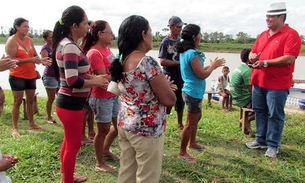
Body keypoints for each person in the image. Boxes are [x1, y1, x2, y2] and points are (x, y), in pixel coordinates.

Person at [110, 15, 176, 183]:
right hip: (146, 130)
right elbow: (169, 100)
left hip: (126, 123)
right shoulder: (146, 62)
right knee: (147, 176)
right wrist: (167, 88)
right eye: (151, 32)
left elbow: (138, 90)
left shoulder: (122, 60)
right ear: (143, 34)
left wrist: (162, 86)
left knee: (127, 172)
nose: (152, 36)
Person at [51, 5, 109, 183]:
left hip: (69, 104)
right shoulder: (69, 47)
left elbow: (75, 74)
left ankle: (66, 177)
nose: (88, 27)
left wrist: (91, 76)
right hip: (70, 105)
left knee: (68, 142)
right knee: (73, 145)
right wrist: (96, 82)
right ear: (74, 26)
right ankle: (67, 180)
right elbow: (72, 81)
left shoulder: (67, 44)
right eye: (85, 23)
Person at [245, 2, 302, 158]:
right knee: (260, 111)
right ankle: (260, 139)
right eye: (267, 16)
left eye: (271, 16)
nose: (267, 19)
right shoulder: (263, 35)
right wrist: (252, 56)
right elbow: (254, 51)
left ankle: (273, 145)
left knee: (275, 114)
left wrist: (265, 63)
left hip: (277, 83)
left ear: (281, 17)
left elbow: (289, 58)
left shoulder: (291, 35)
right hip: (258, 81)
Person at [176, 24, 225, 163]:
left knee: (197, 118)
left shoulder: (186, 52)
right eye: (200, 34)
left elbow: (197, 70)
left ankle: (192, 143)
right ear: (194, 37)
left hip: (193, 91)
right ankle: (182, 152)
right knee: (189, 123)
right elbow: (201, 74)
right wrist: (213, 67)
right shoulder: (191, 53)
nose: (201, 37)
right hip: (192, 92)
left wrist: (210, 65)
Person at [82, 20, 119, 173]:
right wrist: (120, 73)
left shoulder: (107, 49)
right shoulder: (94, 53)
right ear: (100, 34)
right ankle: (99, 162)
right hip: (101, 97)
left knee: (118, 127)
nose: (112, 35)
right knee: (102, 130)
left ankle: (105, 150)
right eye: (110, 32)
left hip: (113, 94)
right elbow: (103, 78)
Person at [5, 17, 51, 137]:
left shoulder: (29, 40)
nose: (27, 28)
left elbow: (35, 56)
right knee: (17, 101)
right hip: (17, 75)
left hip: (30, 75)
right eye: (25, 26)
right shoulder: (12, 41)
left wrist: (41, 60)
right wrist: (30, 59)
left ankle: (32, 123)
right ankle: (15, 128)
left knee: (30, 100)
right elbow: (11, 60)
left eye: (28, 26)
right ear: (17, 27)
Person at [158, 15, 186, 130]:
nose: (180, 29)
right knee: (166, 99)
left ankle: (180, 123)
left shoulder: (182, 41)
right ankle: (162, 122)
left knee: (181, 99)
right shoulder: (165, 42)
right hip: (169, 76)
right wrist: (178, 63)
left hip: (181, 75)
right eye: (178, 26)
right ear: (171, 27)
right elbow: (162, 61)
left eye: (181, 26)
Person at [230, 48, 255, 133]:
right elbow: (251, 90)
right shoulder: (247, 71)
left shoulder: (239, 67)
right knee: (265, 108)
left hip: (236, 97)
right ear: (250, 58)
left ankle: (246, 125)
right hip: (243, 99)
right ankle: (245, 120)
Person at [80, 20, 96, 145]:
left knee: (90, 109)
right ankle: (82, 135)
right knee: (85, 110)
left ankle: (91, 131)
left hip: (93, 81)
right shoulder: (83, 47)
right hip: (85, 82)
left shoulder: (92, 46)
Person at [40, 30, 59, 124]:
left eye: (53, 36)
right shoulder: (45, 48)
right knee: (51, 98)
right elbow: (45, 62)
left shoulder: (55, 46)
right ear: (45, 38)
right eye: (51, 37)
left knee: (60, 95)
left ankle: (58, 112)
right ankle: (48, 117)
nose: (52, 38)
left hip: (58, 75)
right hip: (50, 76)